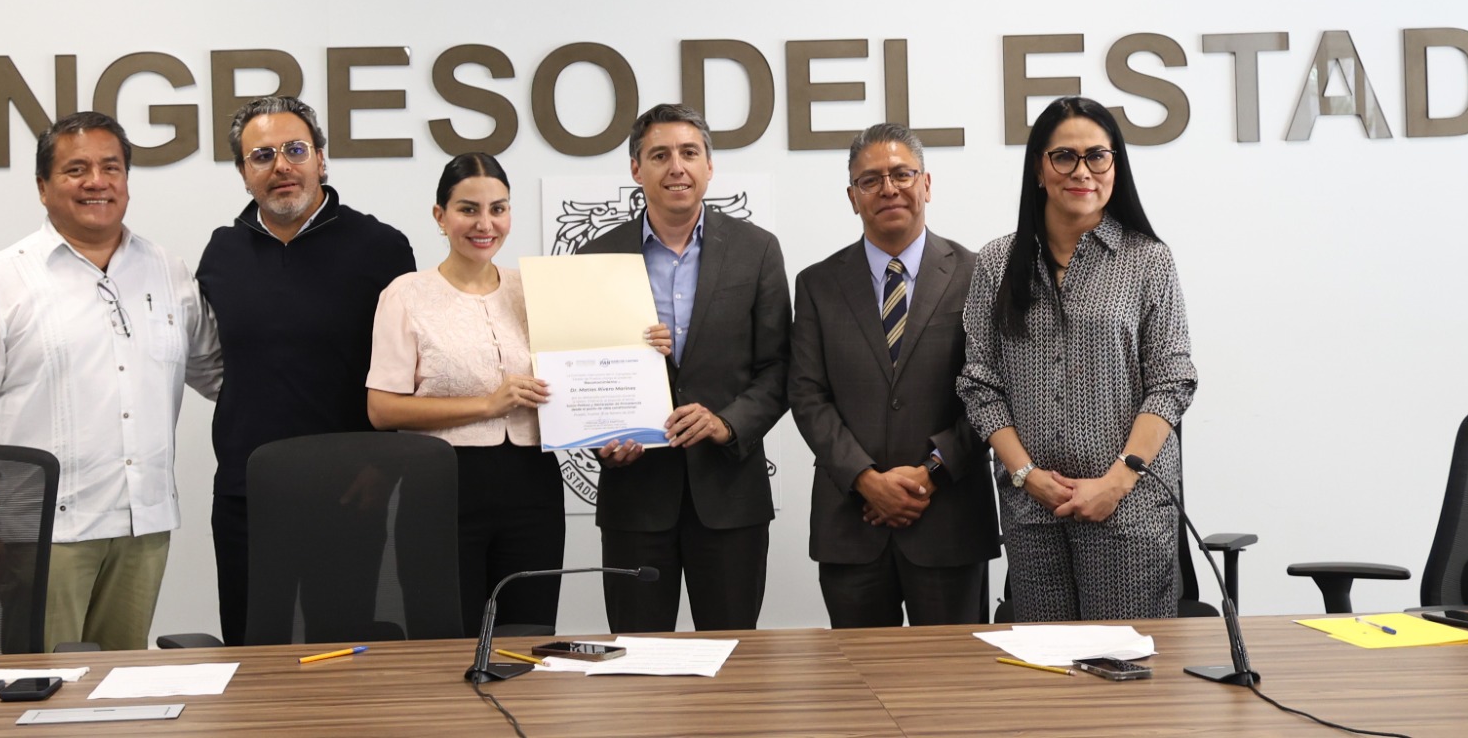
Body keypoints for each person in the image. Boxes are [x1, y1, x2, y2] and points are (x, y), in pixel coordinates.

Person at [0, 111, 221, 651]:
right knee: (44, 684)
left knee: (123, 685)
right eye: (76, 170)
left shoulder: (168, 271)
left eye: (111, 168)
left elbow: (217, 374)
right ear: (43, 187)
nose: (96, 182)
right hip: (44, 534)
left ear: (127, 181)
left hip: (143, 526)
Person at [957, 96, 1197, 622]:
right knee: (1046, 664)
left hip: (1128, 509)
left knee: (1122, 661)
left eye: (1097, 156)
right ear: (1039, 169)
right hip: (1032, 511)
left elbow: (1172, 380)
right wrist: (1027, 475)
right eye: (1064, 156)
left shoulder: (1147, 260)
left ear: (1115, 165)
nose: (1082, 171)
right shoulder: (998, 262)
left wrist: (1116, 482)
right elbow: (980, 384)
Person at [195, 95, 416, 644]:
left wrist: (382, 466)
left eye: (295, 150)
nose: (281, 166)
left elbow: (409, 372)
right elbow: (216, 363)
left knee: (339, 654)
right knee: (250, 649)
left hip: (348, 492)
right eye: (262, 155)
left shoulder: (381, 248)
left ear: (321, 158)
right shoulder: (221, 253)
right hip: (248, 493)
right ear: (243, 172)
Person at [580, 104, 791, 633]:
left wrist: (727, 423)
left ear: (709, 166)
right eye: (660, 155)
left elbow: (779, 368)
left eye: (689, 153)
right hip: (635, 498)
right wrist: (602, 439)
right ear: (636, 169)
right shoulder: (595, 257)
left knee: (733, 655)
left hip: (729, 496)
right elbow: (581, 372)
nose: (676, 167)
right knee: (636, 657)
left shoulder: (756, 250)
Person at [789, 124, 996, 627]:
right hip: (852, 523)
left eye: (902, 174)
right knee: (860, 673)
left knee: (952, 674)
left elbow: (994, 391)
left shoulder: (979, 274)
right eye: (871, 180)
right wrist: (866, 479)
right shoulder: (817, 284)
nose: (889, 188)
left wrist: (931, 473)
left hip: (949, 521)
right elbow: (807, 395)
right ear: (852, 197)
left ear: (926, 184)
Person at [366, 153, 565, 635]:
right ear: (440, 216)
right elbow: (381, 409)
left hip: (533, 485)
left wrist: (641, 342)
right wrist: (487, 404)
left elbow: (584, 365)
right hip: (443, 488)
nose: (485, 224)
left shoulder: (537, 290)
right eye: (468, 209)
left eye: (498, 209)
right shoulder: (406, 294)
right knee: (448, 641)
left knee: (529, 636)